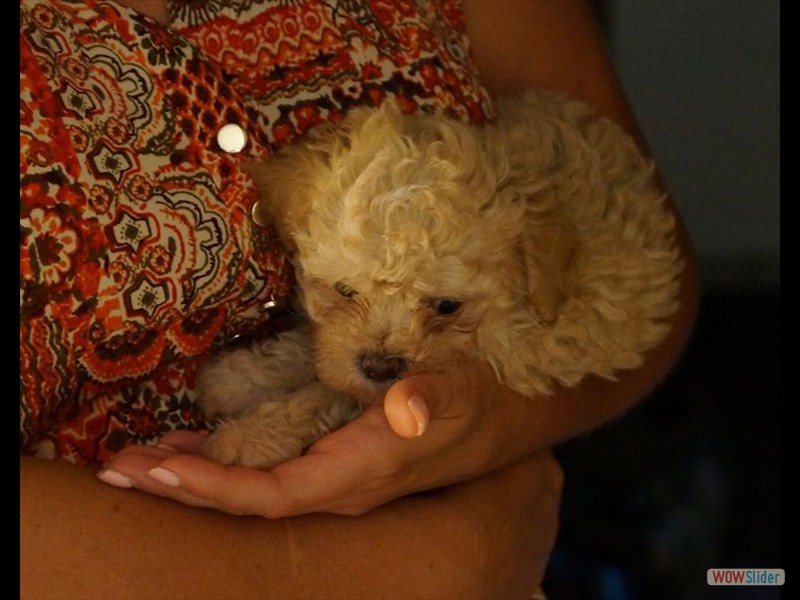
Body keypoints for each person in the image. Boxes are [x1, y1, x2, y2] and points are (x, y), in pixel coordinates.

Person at [20, 0, 698, 598]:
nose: (385, 344)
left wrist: (488, 422)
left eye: (441, 307)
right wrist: (418, 566)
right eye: (342, 294)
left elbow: (644, 255)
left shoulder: (533, 221)